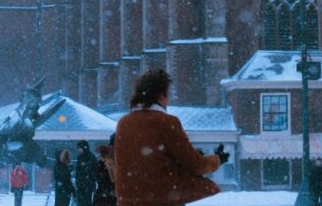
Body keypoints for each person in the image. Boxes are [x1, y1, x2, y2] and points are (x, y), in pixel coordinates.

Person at [114, 69, 228, 206]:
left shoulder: (124, 123)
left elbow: (145, 162)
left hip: (128, 199)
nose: (169, 99)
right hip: (159, 198)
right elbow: (196, 165)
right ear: (161, 95)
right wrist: (217, 159)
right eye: (168, 94)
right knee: (210, 187)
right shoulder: (166, 122)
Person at [94, 141, 116, 206]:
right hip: (107, 191)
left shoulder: (108, 162)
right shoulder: (104, 162)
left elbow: (111, 178)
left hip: (108, 192)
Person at [76, 142, 97, 206]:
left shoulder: (91, 157)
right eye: (78, 148)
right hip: (81, 185)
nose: (78, 150)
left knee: (87, 202)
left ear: (84, 147)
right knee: (80, 202)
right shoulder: (80, 157)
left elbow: (94, 171)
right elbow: (78, 171)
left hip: (88, 185)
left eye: (79, 148)